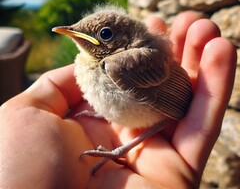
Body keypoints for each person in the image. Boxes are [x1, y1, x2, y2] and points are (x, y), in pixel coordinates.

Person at [0, 11, 236, 189]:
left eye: (105, 34)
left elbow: (165, 111)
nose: (75, 34)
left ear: (124, 39)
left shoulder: (119, 64)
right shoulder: (86, 61)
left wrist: (120, 150)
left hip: (162, 106)